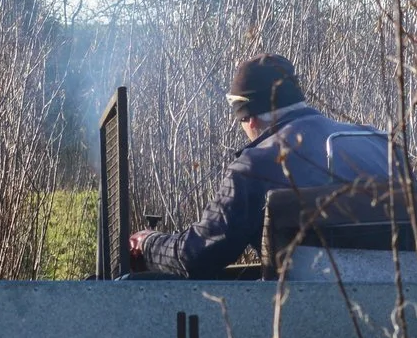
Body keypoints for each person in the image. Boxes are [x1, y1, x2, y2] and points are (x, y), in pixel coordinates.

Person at [127, 54, 393, 277]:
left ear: (250, 119)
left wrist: (148, 243)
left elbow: (197, 255)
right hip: (402, 308)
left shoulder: (256, 165)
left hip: (307, 314)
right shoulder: (381, 144)